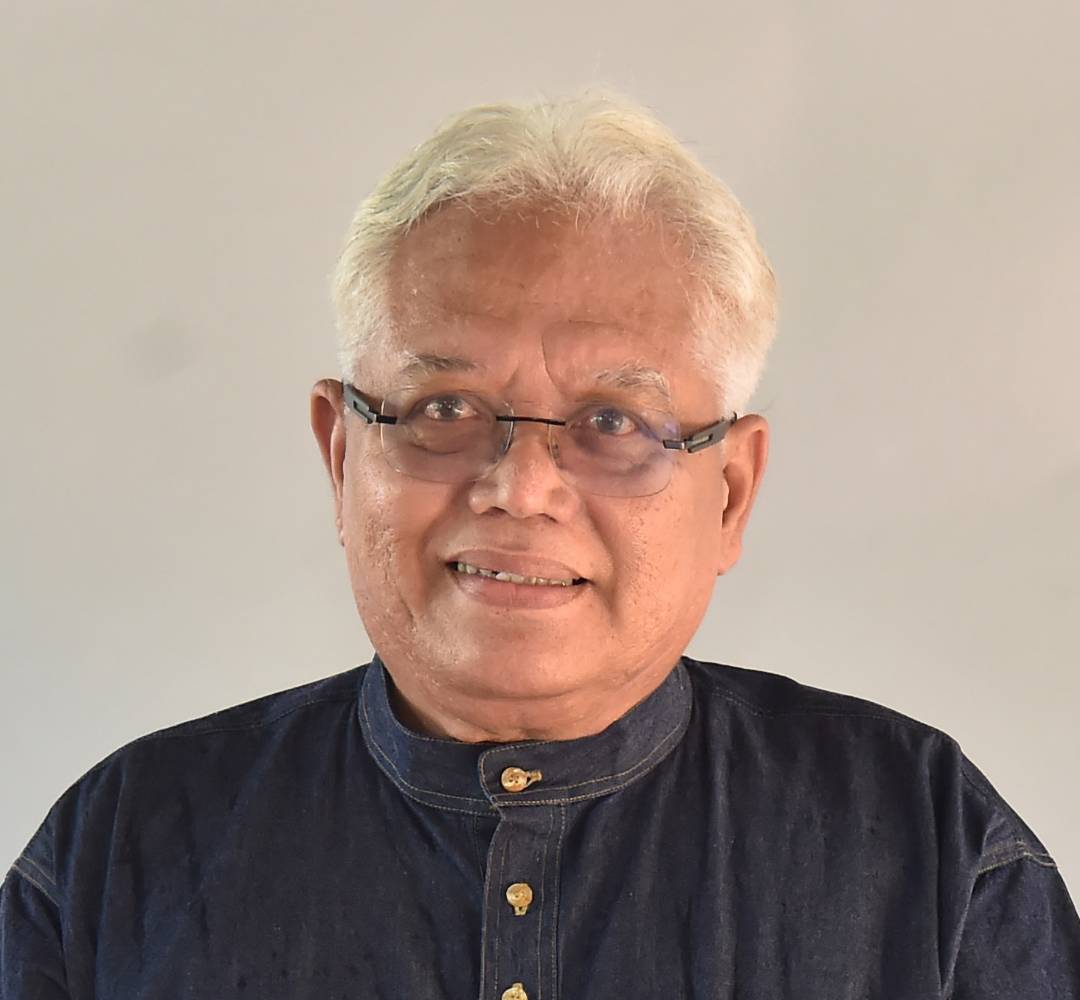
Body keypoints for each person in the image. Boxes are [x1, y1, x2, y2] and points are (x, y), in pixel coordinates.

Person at [3, 92, 1078, 999]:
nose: (519, 487)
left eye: (614, 421)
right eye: (443, 408)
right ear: (341, 455)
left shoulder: (931, 850)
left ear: (731, 493)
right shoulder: (125, 848)